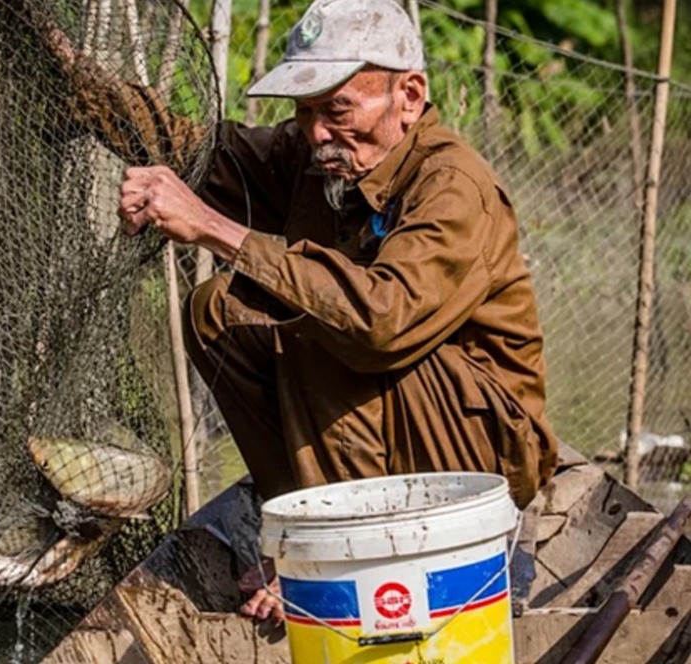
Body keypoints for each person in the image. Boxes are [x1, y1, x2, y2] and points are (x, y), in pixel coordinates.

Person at [116, 0, 558, 624]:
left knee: (322, 319)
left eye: (337, 110)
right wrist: (71, 73)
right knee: (217, 309)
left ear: (409, 95)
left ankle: (333, 551)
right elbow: (200, 148)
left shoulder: (453, 186)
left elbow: (380, 322)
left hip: (478, 455)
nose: (318, 132)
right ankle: (303, 521)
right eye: (303, 112)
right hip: (383, 423)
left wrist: (212, 228)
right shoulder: (317, 157)